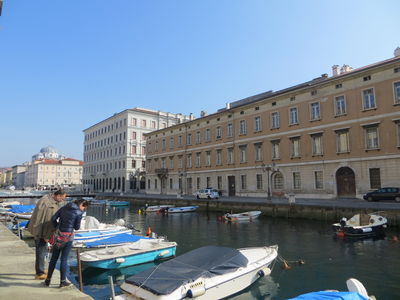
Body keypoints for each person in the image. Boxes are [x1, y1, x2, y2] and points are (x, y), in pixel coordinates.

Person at [44, 198, 89, 288]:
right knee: (64, 259)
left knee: (53, 259)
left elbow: (53, 219)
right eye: (84, 208)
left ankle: (48, 280)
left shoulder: (63, 208)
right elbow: (76, 227)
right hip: (68, 237)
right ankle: (62, 281)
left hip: (58, 235)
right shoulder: (79, 213)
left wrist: (58, 227)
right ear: (82, 205)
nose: (83, 210)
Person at [27, 189, 67, 280]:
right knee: (41, 252)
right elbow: (47, 222)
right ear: (58, 196)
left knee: (42, 251)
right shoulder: (50, 205)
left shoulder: (47, 200)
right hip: (41, 232)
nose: (62, 200)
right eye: (62, 198)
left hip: (39, 230)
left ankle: (40, 269)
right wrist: (46, 236)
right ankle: (39, 273)